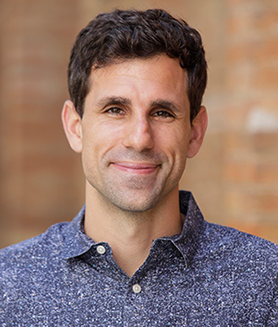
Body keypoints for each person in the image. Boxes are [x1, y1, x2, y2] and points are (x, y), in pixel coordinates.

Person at [0, 8, 277, 326]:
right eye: (115, 109)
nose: (140, 139)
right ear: (75, 127)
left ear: (195, 133)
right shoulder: (8, 286)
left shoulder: (266, 282)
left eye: (162, 113)